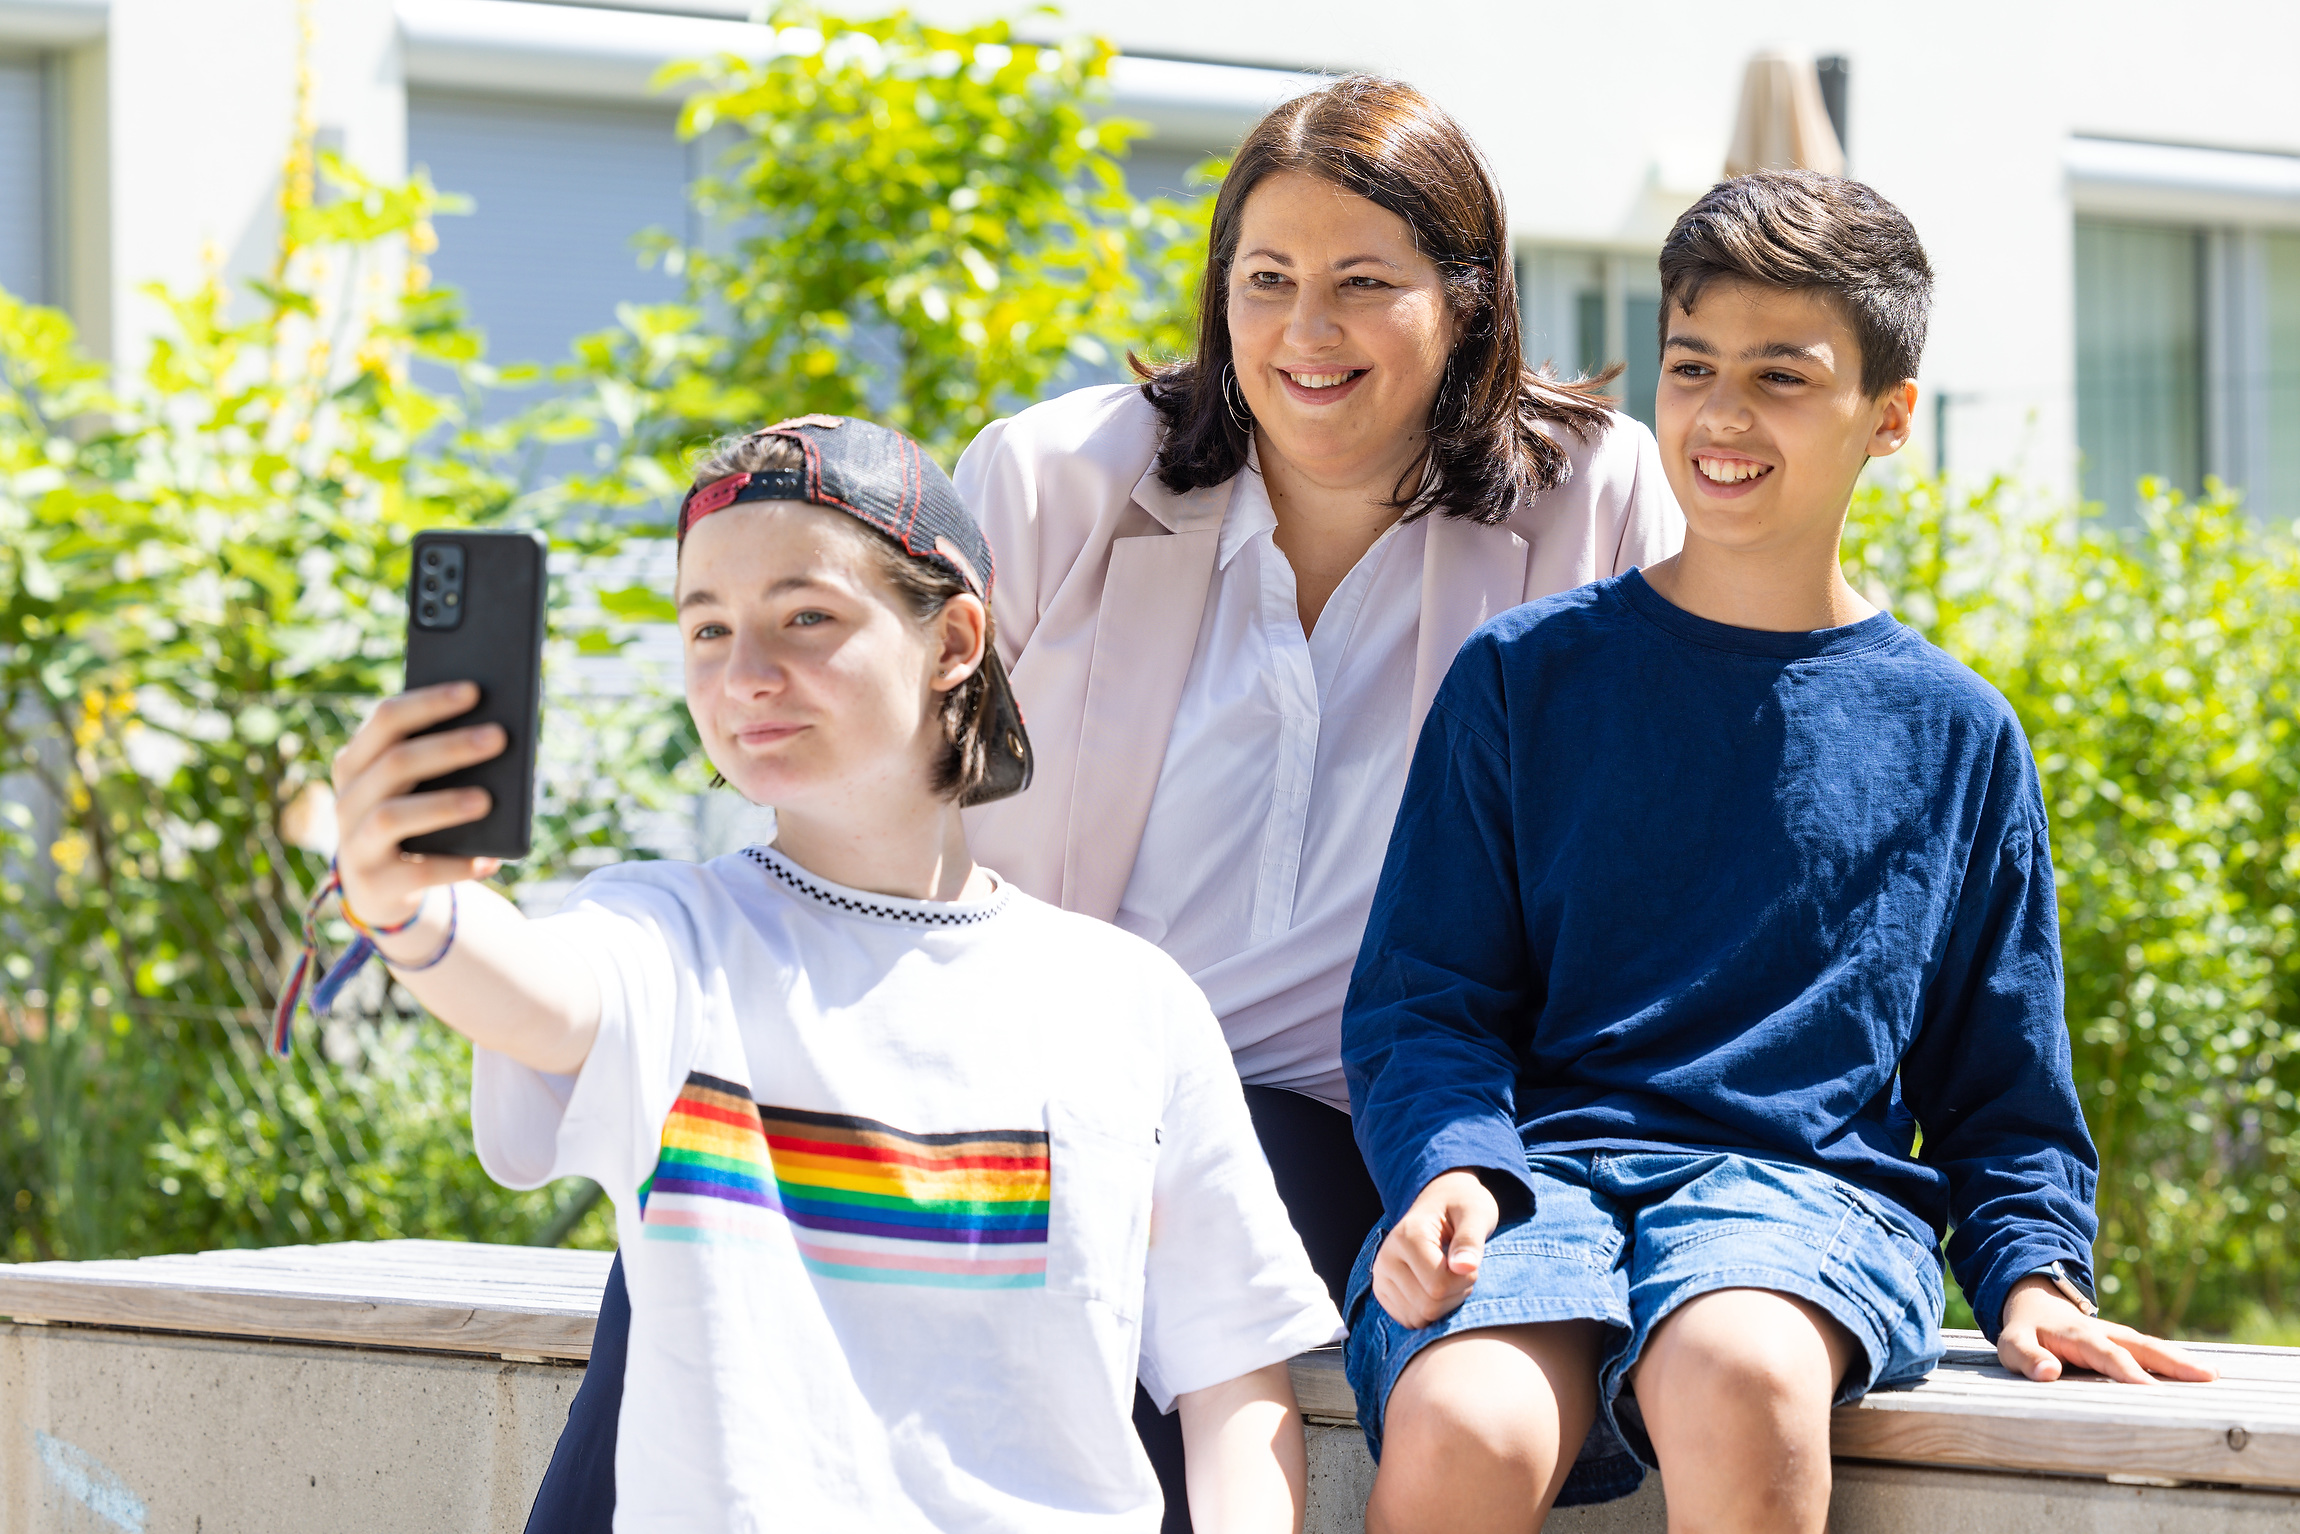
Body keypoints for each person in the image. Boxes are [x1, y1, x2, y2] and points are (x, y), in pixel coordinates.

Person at [529, 75, 1683, 1534]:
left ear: (1466, 300)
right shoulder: (1063, 477)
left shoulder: (1588, 500)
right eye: (1265, 280)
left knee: (1125, 1285)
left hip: (1341, 1104)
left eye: (1362, 284)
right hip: (1012, 1047)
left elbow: (1704, 769)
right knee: (715, 1177)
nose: (1304, 331)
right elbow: (893, 755)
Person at [1336, 170, 2217, 1534]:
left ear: (1889, 417)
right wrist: (1453, 1163)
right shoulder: (1523, 678)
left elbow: (2002, 1084)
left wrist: (2034, 1271)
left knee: (1741, 1370)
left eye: (1782, 377)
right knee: (1469, 1418)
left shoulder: (1954, 732)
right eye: (1692, 367)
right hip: (1543, 1181)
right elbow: (1425, 1000)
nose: (1723, 415)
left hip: (1802, 1199)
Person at [327, 416, 1343, 1532]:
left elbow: (1233, 1384)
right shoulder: (671, 935)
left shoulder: (1130, 1001)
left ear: (955, 639)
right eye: (706, 629)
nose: (746, 674)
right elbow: (533, 988)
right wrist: (409, 908)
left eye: (803, 616)